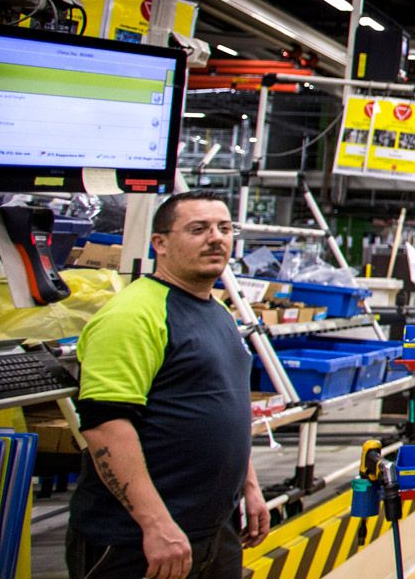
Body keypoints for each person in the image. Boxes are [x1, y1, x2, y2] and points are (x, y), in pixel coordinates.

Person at [67, 191, 270, 579]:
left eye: (224, 228)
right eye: (198, 229)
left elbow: (226, 405)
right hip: (138, 540)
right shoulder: (133, 314)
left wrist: (249, 486)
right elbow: (105, 426)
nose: (216, 238)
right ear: (159, 243)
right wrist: (155, 524)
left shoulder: (218, 311)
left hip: (213, 531)